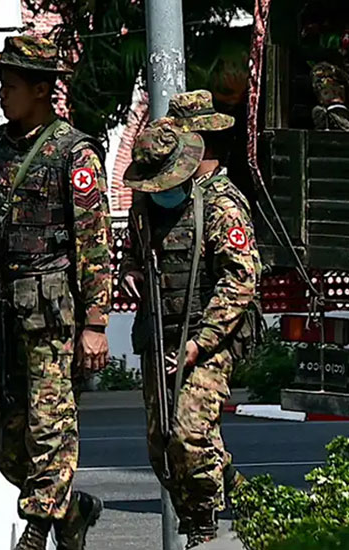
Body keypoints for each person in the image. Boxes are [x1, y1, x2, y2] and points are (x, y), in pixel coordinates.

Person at [0, 35, 111, 550]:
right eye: (0, 83)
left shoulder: (74, 153)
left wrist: (96, 324)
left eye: (9, 85)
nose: (1, 94)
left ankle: (36, 531)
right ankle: (69, 509)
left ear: (40, 90)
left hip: (50, 314)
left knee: (49, 424)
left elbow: (94, 243)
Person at [120, 120, 261, 548]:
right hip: (159, 335)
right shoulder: (144, 208)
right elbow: (132, 251)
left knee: (190, 435)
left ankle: (202, 530)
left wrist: (201, 343)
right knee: (162, 443)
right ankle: (244, 495)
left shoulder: (220, 206)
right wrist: (130, 270)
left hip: (207, 337)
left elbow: (240, 278)